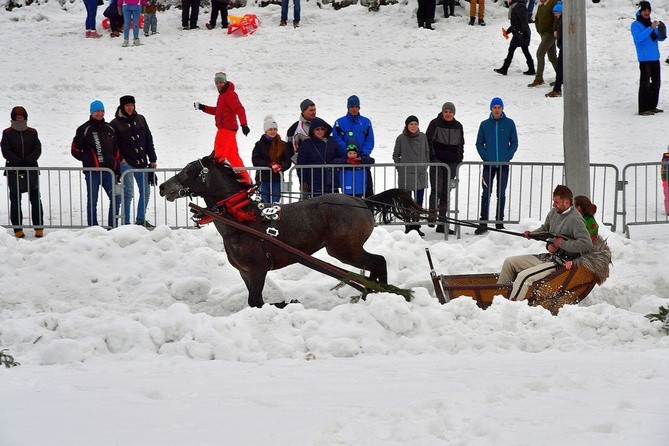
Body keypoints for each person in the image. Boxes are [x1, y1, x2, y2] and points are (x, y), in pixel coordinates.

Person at [497, 185, 594, 301]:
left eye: (556, 202)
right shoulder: (554, 212)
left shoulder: (575, 220)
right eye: (554, 201)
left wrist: (561, 244)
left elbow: (586, 244)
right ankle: (497, 298)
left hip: (560, 264)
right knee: (510, 262)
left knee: (524, 277)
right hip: (549, 257)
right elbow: (545, 229)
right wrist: (532, 234)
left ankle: (511, 308)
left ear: (567, 203)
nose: (553, 205)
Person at [71, 100, 121, 228]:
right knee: (93, 201)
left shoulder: (110, 128)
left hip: (109, 172)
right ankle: (93, 227)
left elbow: (117, 150)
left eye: (102, 111)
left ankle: (113, 226)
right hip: (92, 172)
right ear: (92, 112)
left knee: (116, 197)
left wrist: (116, 166)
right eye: (97, 111)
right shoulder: (84, 129)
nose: (100, 113)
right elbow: (74, 149)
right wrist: (88, 159)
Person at [195, 72, 251, 184]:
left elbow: (239, 109)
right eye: (217, 83)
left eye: (221, 82)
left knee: (217, 157)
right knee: (233, 157)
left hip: (225, 131)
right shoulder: (223, 96)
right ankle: (246, 180)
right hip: (228, 131)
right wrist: (203, 107)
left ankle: (216, 182)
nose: (219, 84)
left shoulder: (230, 94)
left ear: (225, 82)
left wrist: (244, 124)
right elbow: (218, 111)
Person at [110, 95, 158, 227]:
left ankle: (140, 220)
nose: (130, 107)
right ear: (122, 106)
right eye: (127, 105)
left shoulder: (141, 119)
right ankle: (126, 222)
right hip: (126, 164)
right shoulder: (115, 123)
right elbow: (113, 145)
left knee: (146, 192)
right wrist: (121, 159)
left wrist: (152, 158)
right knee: (128, 193)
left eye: (132, 104)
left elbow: (148, 139)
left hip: (142, 162)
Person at [475, 97, 518, 234]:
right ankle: (483, 222)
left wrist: (508, 156)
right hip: (488, 165)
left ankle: (499, 221)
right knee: (486, 193)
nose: (497, 109)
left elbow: (514, 142)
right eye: (495, 107)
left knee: (501, 193)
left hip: (503, 165)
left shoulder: (510, 123)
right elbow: (479, 144)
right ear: (491, 109)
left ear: (502, 109)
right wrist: (486, 157)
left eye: (499, 107)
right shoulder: (484, 124)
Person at [1, 106, 44, 239]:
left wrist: (29, 160)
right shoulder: (7, 133)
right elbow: (5, 150)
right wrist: (18, 161)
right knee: (15, 200)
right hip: (14, 171)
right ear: (13, 118)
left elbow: (38, 148)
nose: (20, 118)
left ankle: (39, 227)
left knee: (36, 199)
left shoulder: (32, 132)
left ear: (25, 117)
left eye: (22, 116)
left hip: (31, 170)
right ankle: (17, 229)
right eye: (17, 116)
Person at [426, 103, 464, 235]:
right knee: (435, 189)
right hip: (438, 162)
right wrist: (432, 157)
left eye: (450, 111)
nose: (448, 113)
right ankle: (432, 216)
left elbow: (461, 144)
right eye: (446, 111)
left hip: (451, 164)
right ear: (442, 112)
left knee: (445, 193)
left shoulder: (458, 126)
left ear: (454, 113)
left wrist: (458, 160)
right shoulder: (435, 123)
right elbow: (428, 141)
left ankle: (442, 222)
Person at [393, 115, 430, 236]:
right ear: (407, 125)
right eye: (411, 124)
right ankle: (408, 226)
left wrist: (425, 165)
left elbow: (427, 152)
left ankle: (416, 226)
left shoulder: (423, 137)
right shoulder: (401, 138)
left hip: (420, 173)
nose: (413, 126)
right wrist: (400, 167)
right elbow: (396, 155)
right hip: (406, 174)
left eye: (415, 124)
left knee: (418, 202)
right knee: (407, 203)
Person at [332, 95, 375, 196]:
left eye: (356, 106)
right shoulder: (340, 122)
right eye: (352, 106)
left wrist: (363, 154)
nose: (354, 109)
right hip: (346, 162)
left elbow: (370, 139)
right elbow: (336, 138)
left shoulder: (366, 122)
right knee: (347, 193)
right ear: (348, 107)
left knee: (368, 191)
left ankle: (369, 211)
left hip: (362, 161)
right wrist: (349, 152)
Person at [631, 1, 667, 116]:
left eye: (648, 10)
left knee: (656, 83)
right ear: (640, 12)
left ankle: (652, 106)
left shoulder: (650, 23)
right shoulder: (635, 24)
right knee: (645, 83)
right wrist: (650, 28)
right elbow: (638, 38)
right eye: (644, 10)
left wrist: (663, 30)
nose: (647, 12)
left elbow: (660, 39)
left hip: (655, 58)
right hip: (645, 59)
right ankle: (642, 109)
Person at [251, 116, 291, 203]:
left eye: (275, 129)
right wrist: (269, 164)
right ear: (266, 131)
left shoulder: (283, 145)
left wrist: (281, 166)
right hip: (263, 179)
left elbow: (287, 160)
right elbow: (255, 160)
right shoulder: (259, 145)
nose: (273, 131)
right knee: (264, 202)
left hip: (277, 179)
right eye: (270, 129)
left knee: (275, 203)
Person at [296, 117, 337, 199]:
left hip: (331, 180)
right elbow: (301, 164)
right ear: (313, 130)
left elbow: (339, 155)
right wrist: (303, 181)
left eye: (322, 129)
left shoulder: (332, 141)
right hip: (313, 181)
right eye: (317, 129)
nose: (320, 131)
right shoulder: (306, 144)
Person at [494, 0, 535, 76]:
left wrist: (524, 32)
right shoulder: (516, 6)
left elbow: (523, 21)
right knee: (520, 50)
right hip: (519, 33)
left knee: (516, 50)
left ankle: (505, 68)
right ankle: (531, 68)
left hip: (521, 33)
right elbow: (515, 23)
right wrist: (507, 32)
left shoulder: (519, 7)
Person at [528, 0, 558, 88]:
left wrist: (554, 30)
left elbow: (556, 17)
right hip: (543, 34)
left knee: (540, 53)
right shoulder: (541, 6)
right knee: (552, 57)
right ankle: (562, 76)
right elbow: (537, 19)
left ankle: (539, 78)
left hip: (550, 34)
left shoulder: (553, 3)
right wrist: (539, 30)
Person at [286, 98, 316, 163]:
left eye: (314, 110)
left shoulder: (320, 124)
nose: (314, 112)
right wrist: (300, 163)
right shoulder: (295, 128)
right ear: (303, 111)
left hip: (321, 165)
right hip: (303, 166)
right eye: (311, 110)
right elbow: (290, 148)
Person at [545, 2, 564, 97]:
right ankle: (557, 89)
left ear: (560, 11)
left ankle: (557, 90)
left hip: (565, 47)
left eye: (556, 12)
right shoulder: (560, 19)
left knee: (560, 68)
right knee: (560, 68)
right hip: (563, 46)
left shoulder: (564, 20)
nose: (554, 14)